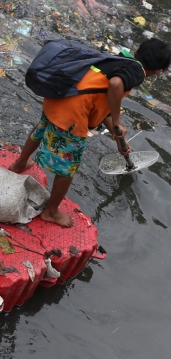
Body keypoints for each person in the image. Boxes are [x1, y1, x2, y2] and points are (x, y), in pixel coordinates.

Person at [9, 38, 171, 227]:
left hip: (61, 96)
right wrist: (118, 121)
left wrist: (119, 139)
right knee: (69, 165)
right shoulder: (137, 72)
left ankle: (20, 163)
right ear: (159, 71)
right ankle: (51, 211)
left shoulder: (119, 60)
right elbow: (116, 85)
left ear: (136, 51)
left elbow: (102, 107)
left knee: (41, 128)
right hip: (74, 114)